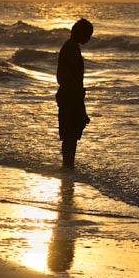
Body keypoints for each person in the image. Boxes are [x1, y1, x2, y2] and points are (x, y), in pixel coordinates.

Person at [56, 18, 93, 168]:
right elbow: (64, 75)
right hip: (70, 96)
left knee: (71, 133)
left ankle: (68, 164)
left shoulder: (71, 46)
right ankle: (68, 165)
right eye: (88, 35)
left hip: (70, 95)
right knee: (70, 134)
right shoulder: (71, 48)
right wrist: (77, 89)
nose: (89, 38)